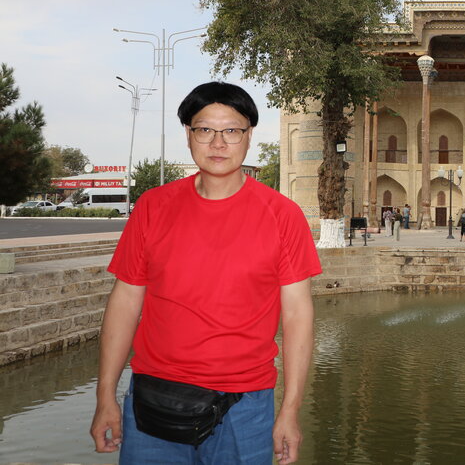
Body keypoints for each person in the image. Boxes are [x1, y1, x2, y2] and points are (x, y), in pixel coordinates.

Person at [90, 82, 321, 464]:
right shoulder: (153, 207)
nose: (218, 143)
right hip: (154, 400)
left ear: (248, 136)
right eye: (204, 129)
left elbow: (298, 314)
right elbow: (125, 301)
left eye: (231, 130)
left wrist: (290, 410)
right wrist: (105, 396)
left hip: (244, 406)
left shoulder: (282, 216)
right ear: (188, 134)